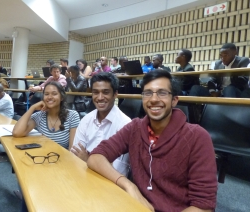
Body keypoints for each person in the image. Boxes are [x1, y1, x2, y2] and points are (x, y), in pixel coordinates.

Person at [87, 70, 217, 211]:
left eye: (162, 93)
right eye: (148, 93)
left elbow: (203, 206)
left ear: (174, 100)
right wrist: (128, 185)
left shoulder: (197, 137)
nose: (154, 99)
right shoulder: (135, 127)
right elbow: (96, 156)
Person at [71, 72, 131, 176]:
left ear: (115, 94)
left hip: (111, 187)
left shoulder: (125, 125)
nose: (99, 97)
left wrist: (87, 159)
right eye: (95, 92)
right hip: (83, 176)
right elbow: (76, 155)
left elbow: (119, 172)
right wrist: (103, 164)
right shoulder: (86, 119)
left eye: (105, 92)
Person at [13, 81, 80, 150]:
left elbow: (72, 150)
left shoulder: (72, 116)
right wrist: (32, 108)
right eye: (46, 94)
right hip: (42, 157)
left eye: (54, 94)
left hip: (62, 158)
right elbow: (17, 133)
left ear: (62, 97)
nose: (50, 97)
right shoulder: (39, 116)